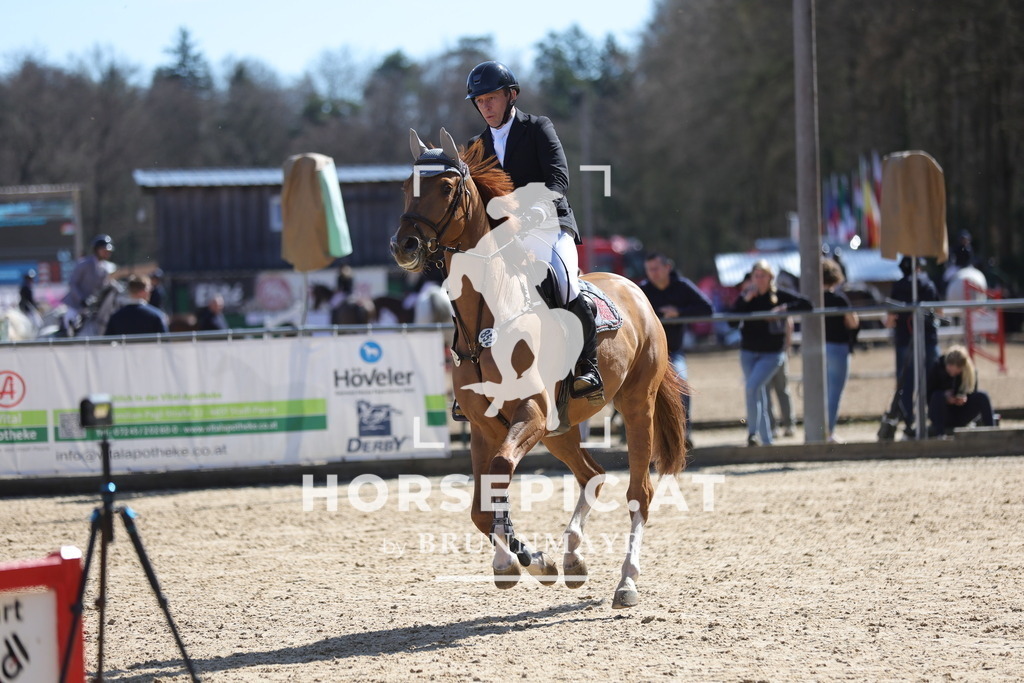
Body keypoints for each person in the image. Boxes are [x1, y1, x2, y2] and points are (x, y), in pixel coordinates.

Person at [464, 60, 601, 401]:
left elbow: (559, 179)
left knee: (564, 282)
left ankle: (587, 365)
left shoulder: (538, 127)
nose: (486, 107)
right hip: (503, 237)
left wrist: (538, 209)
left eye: (491, 98)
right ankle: (470, 377)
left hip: (548, 226)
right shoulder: (475, 147)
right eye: (480, 101)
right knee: (470, 293)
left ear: (511, 95)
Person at [732, 260, 812, 446]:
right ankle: (766, 440)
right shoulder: (746, 296)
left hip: (772, 353)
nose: (759, 279)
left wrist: (784, 309)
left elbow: (806, 304)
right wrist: (745, 300)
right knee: (758, 393)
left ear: (770, 277)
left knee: (753, 387)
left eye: (763, 275)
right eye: (756, 276)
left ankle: (753, 432)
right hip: (749, 352)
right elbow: (731, 321)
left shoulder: (778, 295)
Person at [639, 252, 713, 444]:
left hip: (673, 352)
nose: (652, 273)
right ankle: (638, 435)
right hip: (647, 355)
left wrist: (679, 312)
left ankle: (685, 432)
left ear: (667, 268)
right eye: (649, 270)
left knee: (682, 386)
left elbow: (707, 308)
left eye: (656, 268)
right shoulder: (643, 289)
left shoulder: (682, 286)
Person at [884, 255, 940, 438]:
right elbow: (939, 311)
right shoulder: (929, 283)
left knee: (906, 384)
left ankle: (909, 422)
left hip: (904, 340)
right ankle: (935, 421)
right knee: (933, 380)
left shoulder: (898, 286)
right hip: (929, 339)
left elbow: (891, 319)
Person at [822, 257, 860, 441]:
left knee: (820, 391)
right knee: (834, 393)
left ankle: (817, 429)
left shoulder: (813, 299)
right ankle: (828, 431)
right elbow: (852, 322)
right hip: (837, 348)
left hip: (817, 349)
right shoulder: (839, 298)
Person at [926, 345, 994, 437]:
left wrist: (964, 398)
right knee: (938, 396)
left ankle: (992, 432)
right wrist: (945, 397)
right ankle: (940, 435)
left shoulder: (969, 372)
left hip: (961, 413)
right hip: (942, 414)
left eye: (957, 373)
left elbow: (972, 392)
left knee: (983, 396)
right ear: (946, 365)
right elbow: (929, 397)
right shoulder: (936, 367)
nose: (953, 375)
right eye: (950, 372)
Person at [62, 234, 116, 332]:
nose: (107, 253)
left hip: (90, 306)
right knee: (70, 323)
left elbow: (102, 287)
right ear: (96, 250)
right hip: (75, 304)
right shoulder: (84, 264)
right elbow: (73, 284)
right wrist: (81, 299)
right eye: (104, 250)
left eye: (108, 251)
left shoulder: (105, 268)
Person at [104, 274, 169, 336]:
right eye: (149, 289)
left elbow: (107, 342)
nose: (150, 292)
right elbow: (165, 343)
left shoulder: (116, 317)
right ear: (144, 291)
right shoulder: (156, 315)